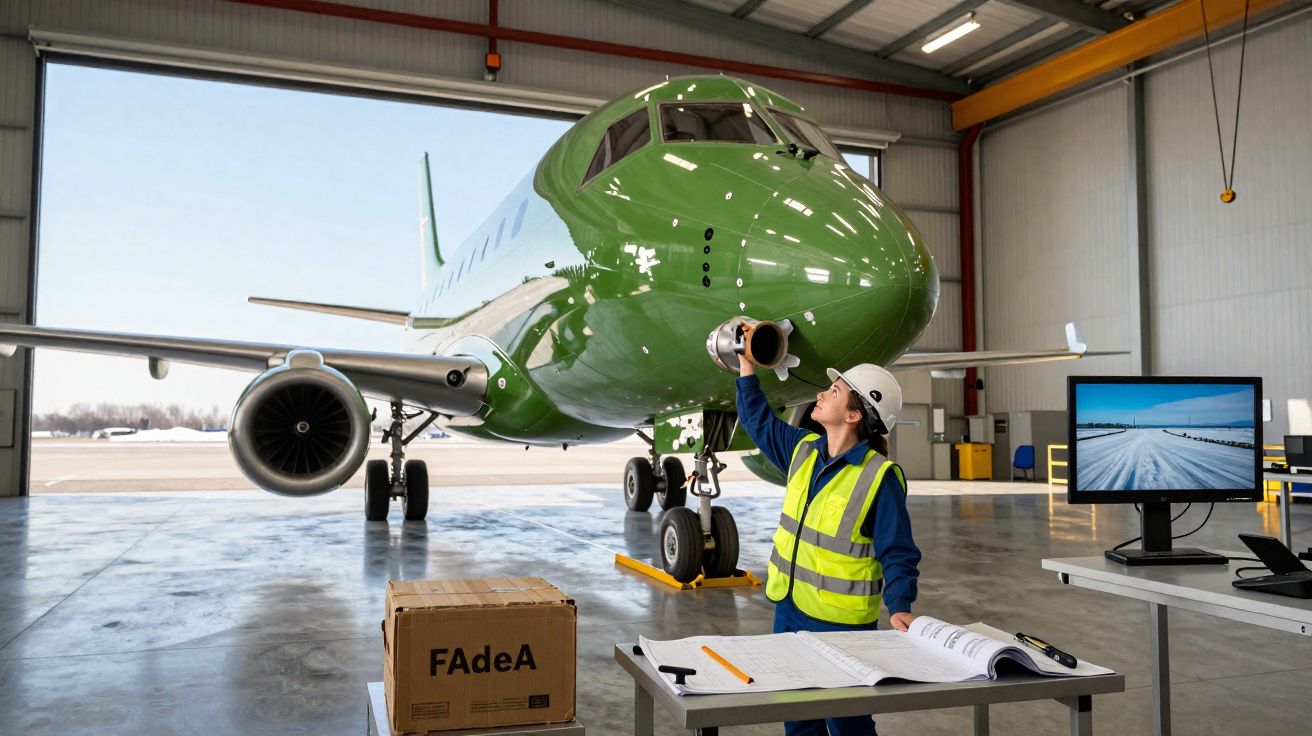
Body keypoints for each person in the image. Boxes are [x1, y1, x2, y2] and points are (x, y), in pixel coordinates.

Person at [736, 352, 921, 736]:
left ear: (853, 415)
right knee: (799, 717)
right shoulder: (803, 450)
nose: (821, 394)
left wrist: (900, 605)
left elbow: (897, 550)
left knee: (848, 723)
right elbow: (758, 421)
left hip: (842, 626)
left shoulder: (879, 477)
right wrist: (746, 368)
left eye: (833, 391)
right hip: (788, 609)